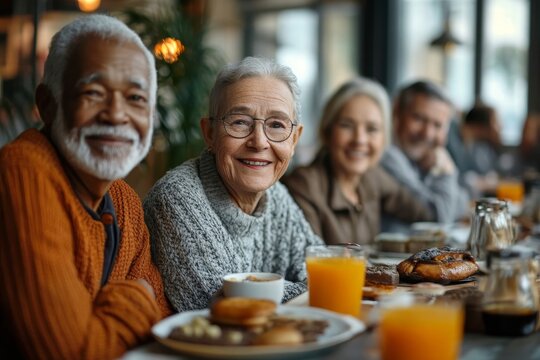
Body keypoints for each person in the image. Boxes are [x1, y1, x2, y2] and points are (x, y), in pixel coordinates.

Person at [0, 15, 172, 359]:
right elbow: (73, 352)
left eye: (136, 98)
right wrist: (136, 295)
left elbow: (162, 324)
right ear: (49, 105)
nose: (116, 115)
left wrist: (103, 317)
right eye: (93, 93)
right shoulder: (22, 172)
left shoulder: (123, 200)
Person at [144, 57, 323, 312]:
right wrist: (322, 287)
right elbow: (227, 307)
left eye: (276, 125)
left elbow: (321, 265)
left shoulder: (276, 195)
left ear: (294, 140)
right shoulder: (176, 198)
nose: (259, 142)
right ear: (209, 133)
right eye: (240, 122)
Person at [282, 78, 434, 245]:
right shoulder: (303, 185)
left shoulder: (373, 176)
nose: (360, 140)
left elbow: (427, 213)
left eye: (372, 129)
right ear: (327, 131)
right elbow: (309, 263)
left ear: (384, 138)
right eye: (347, 125)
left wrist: (442, 170)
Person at [380, 80, 469, 232]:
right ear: (396, 114)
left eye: (437, 125)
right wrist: (445, 172)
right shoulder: (386, 154)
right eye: (418, 119)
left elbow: (462, 204)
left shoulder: (421, 159)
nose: (427, 133)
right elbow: (441, 216)